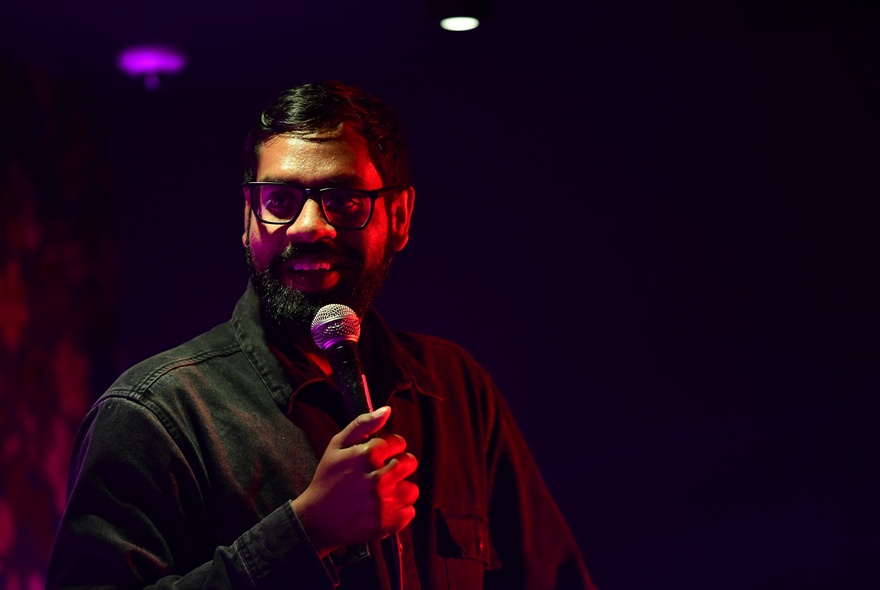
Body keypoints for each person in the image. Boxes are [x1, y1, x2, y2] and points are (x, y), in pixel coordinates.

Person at [47, 81, 597, 590]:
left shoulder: (455, 389)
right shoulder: (157, 413)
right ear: (247, 218)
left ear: (400, 218)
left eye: (344, 200)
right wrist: (305, 532)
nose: (309, 226)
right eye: (280, 201)